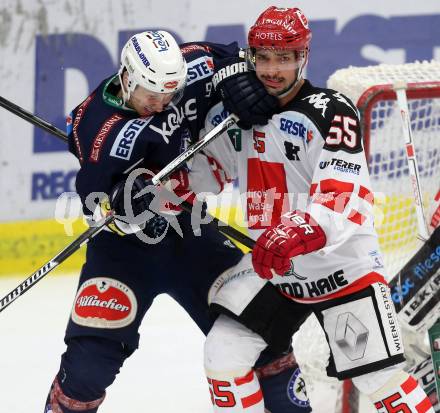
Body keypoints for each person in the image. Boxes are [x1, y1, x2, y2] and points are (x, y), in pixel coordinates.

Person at [44, 30, 311, 413]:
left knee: (263, 337)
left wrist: (237, 78)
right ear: (128, 78)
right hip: (125, 253)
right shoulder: (98, 128)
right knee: (86, 369)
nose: (161, 103)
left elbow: (232, 58)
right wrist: (127, 212)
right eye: (151, 95)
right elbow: (96, 205)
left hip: (190, 230)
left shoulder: (189, 65)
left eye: (169, 94)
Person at [189, 7, 436, 412]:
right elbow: (206, 172)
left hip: (341, 269)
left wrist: (301, 229)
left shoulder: (330, 110)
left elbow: (343, 195)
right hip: (277, 269)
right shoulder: (239, 115)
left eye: (283, 58)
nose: (272, 69)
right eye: (263, 57)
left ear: (303, 56)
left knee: (378, 378)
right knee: (222, 355)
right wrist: (155, 189)